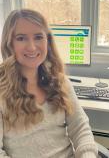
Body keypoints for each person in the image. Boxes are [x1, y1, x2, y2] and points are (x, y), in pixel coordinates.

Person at [0, 9, 98, 158]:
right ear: (9, 43)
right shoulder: (2, 91)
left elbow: (80, 129)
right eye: (21, 38)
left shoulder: (60, 81)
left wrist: (88, 155)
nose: (32, 47)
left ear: (48, 41)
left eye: (38, 37)